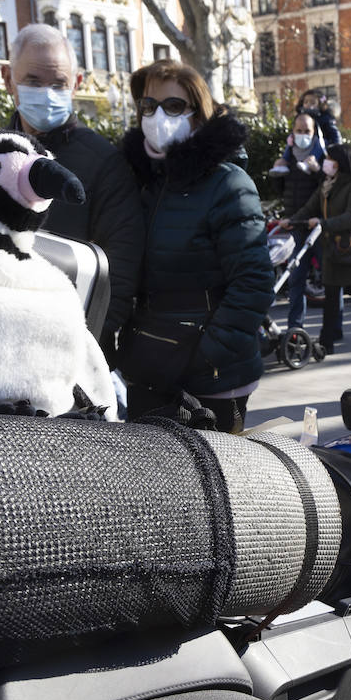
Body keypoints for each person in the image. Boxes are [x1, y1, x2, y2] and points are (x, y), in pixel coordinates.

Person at [119, 59, 274, 433]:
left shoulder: (228, 184)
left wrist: (206, 357)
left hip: (212, 379)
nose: (158, 115)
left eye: (173, 106)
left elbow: (253, 283)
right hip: (150, 370)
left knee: (214, 485)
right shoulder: (139, 181)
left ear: (198, 115)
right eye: (148, 106)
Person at [1, 24, 144, 356]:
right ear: (9, 79)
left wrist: (84, 346)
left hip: (70, 347)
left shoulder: (104, 162)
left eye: (59, 83)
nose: (47, 93)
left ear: (76, 84)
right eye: (33, 81)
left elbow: (119, 268)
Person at [289, 144, 351, 355]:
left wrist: (322, 223)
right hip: (332, 247)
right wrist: (292, 221)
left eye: (330, 158)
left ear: (340, 162)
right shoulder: (326, 184)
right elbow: (310, 206)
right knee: (330, 295)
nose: (326, 162)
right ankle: (326, 341)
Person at [270, 112, 329, 334]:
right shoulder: (289, 158)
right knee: (295, 278)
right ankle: (296, 328)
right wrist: (277, 173)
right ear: (292, 132)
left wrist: (316, 171)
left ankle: (332, 328)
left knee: (329, 278)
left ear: (314, 133)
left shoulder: (322, 158)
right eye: (299, 130)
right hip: (294, 225)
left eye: (307, 131)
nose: (303, 135)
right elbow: (280, 191)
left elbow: (327, 190)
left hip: (317, 225)